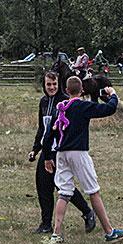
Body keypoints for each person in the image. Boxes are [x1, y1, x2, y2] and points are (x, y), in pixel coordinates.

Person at [43, 76, 123, 243]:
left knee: (64, 192)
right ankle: (109, 232)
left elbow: (49, 134)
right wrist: (113, 94)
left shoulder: (60, 108)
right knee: (93, 191)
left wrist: (47, 156)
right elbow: (109, 109)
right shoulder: (83, 106)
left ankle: (56, 234)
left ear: (66, 91)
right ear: (82, 90)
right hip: (78, 152)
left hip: (61, 154)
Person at [28, 71, 95, 234]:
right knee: (43, 186)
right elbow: (42, 128)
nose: (51, 87)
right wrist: (35, 149)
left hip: (59, 150)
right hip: (46, 149)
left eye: (54, 84)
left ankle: (87, 212)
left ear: (59, 85)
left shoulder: (64, 102)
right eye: (48, 84)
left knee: (63, 186)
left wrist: (54, 152)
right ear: (44, 85)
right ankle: (46, 224)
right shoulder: (43, 102)